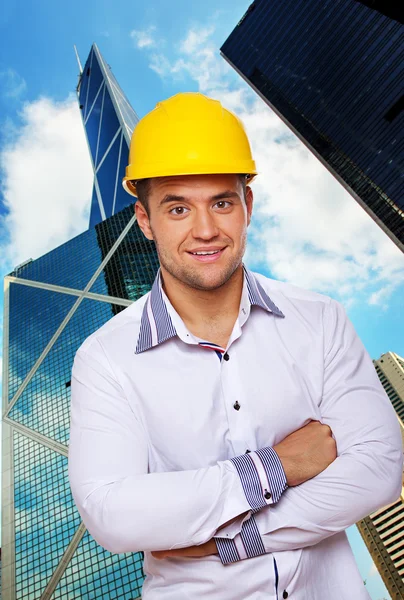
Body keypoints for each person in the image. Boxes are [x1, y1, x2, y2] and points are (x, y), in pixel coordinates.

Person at [68, 92, 403, 600]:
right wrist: (278, 466)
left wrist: (231, 539)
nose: (205, 230)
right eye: (177, 208)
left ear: (247, 205)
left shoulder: (319, 319)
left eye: (221, 202)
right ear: (144, 220)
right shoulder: (105, 358)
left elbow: (379, 467)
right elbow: (112, 512)